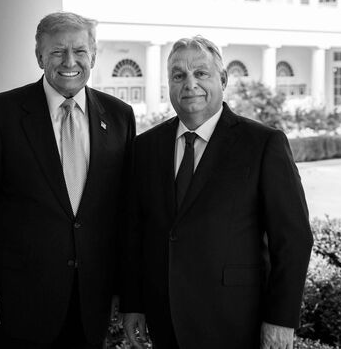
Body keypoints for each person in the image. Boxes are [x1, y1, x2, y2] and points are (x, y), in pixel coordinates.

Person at [121, 36, 313, 349]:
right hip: (165, 321)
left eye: (201, 73)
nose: (190, 84)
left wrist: (280, 320)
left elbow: (293, 238)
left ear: (222, 80)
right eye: (179, 75)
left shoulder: (263, 144)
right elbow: (134, 233)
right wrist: (134, 304)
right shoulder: (145, 147)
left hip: (236, 321)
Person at [0, 11, 136, 348]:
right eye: (57, 51)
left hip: (91, 302)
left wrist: (127, 293)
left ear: (93, 55)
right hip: (19, 302)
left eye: (80, 51)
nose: (70, 61)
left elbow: (125, 214)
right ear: (40, 57)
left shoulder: (119, 116)